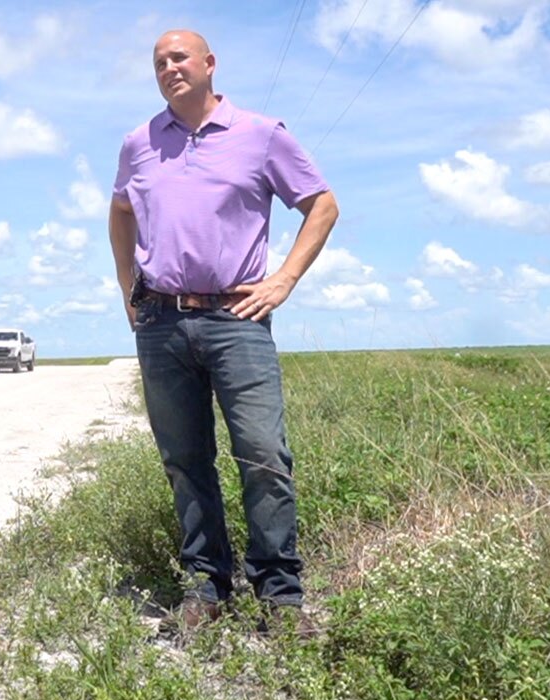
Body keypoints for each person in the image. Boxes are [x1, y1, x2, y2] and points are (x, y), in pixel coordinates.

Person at [108, 29, 339, 633]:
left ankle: (280, 596)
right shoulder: (139, 143)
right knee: (185, 460)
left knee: (264, 455)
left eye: (179, 57)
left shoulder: (261, 135)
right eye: (159, 62)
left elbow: (322, 204)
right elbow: (120, 212)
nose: (169, 68)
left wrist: (283, 280)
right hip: (160, 320)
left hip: (237, 319)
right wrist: (126, 284)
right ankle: (205, 587)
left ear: (210, 64)